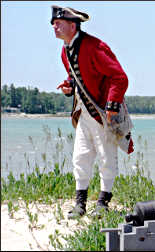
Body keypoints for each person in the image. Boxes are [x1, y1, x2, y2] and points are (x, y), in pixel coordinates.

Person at [51, 5, 134, 219]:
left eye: (58, 23)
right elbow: (75, 76)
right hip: (84, 112)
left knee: (107, 158)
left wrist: (112, 106)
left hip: (102, 112)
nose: (54, 26)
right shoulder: (65, 50)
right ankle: (80, 204)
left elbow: (120, 78)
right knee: (80, 157)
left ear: (73, 25)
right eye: (53, 23)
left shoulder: (95, 46)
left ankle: (103, 203)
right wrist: (69, 86)